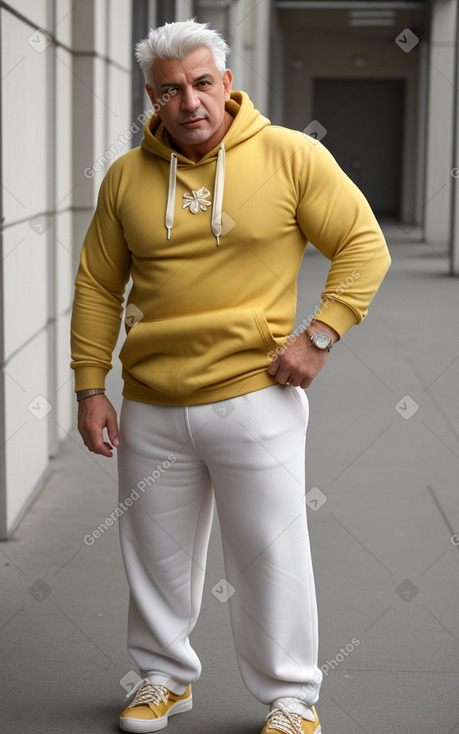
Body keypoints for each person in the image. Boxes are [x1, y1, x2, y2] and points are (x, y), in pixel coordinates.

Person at [71, 18, 390, 734]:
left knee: (269, 555)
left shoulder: (288, 156)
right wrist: (90, 386)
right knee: (155, 555)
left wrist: (318, 335)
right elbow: (98, 286)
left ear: (228, 84)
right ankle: (162, 678)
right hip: (150, 402)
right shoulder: (126, 177)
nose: (189, 102)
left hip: (256, 396)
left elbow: (362, 246)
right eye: (170, 91)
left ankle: (290, 697)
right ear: (152, 99)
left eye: (201, 83)